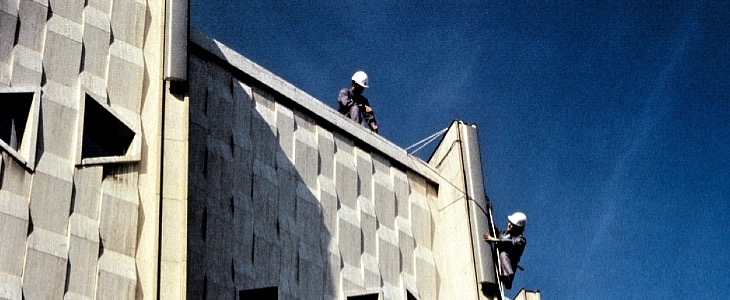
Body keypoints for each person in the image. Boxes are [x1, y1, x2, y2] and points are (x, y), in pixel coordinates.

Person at [483, 212, 527, 290]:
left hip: (509, 264)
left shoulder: (521, 240)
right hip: (499, 261)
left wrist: (494, 239)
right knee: (501, 255)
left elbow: (510, 243)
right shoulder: (505, 234)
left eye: (512, 224)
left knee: (503, 254)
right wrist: (487, 215)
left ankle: (508, 277)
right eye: (509, 222)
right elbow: (496, 230)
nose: (508, 224)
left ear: (517, 228)